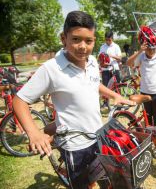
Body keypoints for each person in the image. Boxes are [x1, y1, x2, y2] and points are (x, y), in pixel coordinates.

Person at [12, 11, 134, 189]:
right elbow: (19, 100)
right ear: (64, 38)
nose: (83, 46)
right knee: (82, 185)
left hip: (99, 137)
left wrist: (114, 95)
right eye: (76, 39)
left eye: (89, 41)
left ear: (94, 40)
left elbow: (94, 84)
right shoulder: (51, 69)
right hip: (74, 147)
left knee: (109, 181)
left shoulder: (92, 61)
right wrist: (34, 134)